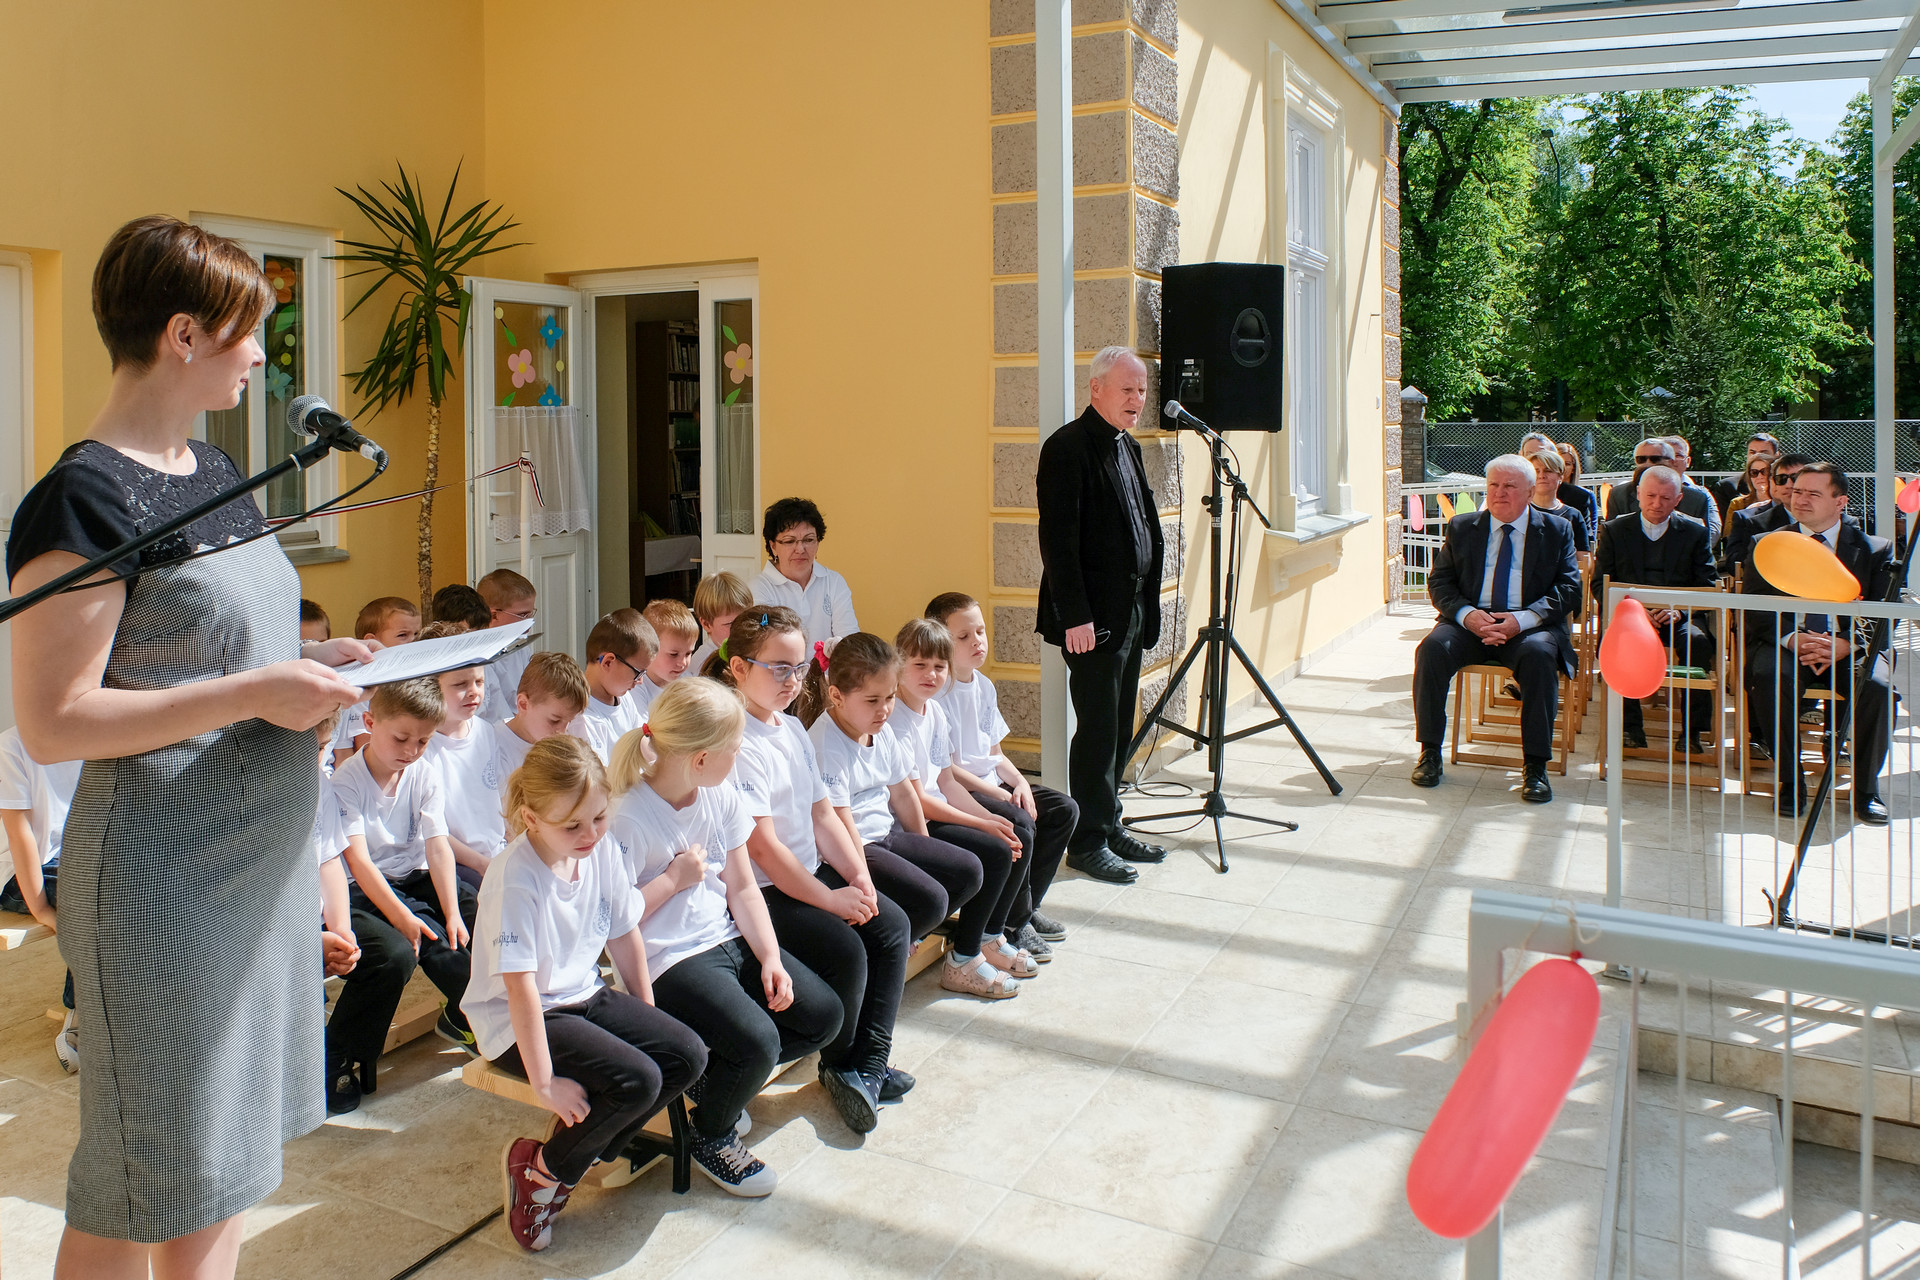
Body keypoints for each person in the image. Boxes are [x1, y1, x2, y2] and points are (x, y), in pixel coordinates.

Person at [8, 214, 366, 1276]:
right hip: (162, 882)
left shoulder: (212, 467)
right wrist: (260, 688)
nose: (258, 355)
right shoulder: (80, 501)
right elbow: (55, 719)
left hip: (257, 866)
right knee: (149, 1176)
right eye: (247, 331)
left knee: (226, 1162)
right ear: (183, 334)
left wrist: (316, 662)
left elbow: (211, 647)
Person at [464, 735, 706, 1251]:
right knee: (638, 1082)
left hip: (582, 994)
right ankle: (540, 1173)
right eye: (572, 826)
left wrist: (647, 1017)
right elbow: (520, 988)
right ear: (531, 819)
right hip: (519, 1018)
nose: (590, 834)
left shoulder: (599, 849)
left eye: (598, 817)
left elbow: (623, 932)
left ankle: (575, 1147)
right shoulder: (515, 878)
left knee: (687, 1054)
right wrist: (545, 1082)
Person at [607, 677, 843, 1196]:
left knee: (822, 1016)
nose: (740, 755)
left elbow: (742, 887)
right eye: (734, 748)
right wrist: (674, 880)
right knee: (759, 1043)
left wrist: (770, 957)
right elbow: (615, 920)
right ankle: (710, 1134)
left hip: (724, 936)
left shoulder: (720, 794)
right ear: (700, 758)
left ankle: (714, 1082)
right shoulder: (626, 817)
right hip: (670, 960)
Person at [709, 607, 910, 1135]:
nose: (792, 680)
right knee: (846, 948)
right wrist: (830, 900)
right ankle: (840, 1066)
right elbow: (764, 850)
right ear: (738, 669)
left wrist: (859, 876)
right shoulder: (738, 740)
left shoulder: (793, 727)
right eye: (778, 668)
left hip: (808, 872)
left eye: (798, 668)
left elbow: (823, 815)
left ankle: (870, 1061)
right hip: (768, 890)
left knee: (891, 926)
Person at [1034, 344, 1167, 880]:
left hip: (1129, 609)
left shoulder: (1127, 445)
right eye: (1127, 389)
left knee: (1117, 725)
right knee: (1096, 729)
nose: (1138, 399)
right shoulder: (1066, 448)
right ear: (1096, 388)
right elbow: (1058, 543)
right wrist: (1076, 617)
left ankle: (1109, 825)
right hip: (1091, 620)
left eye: (1142, 390)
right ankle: (1086, 842)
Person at [802, 632, 989, 962]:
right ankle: (885, 945)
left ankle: (901, 938)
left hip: (886, 835)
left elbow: (903, 794)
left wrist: (926, 849)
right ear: (837, 696)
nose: (885, 710)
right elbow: (841, 822)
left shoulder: (880, 729)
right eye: (872, 701)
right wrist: (860, 877)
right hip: (857, 848)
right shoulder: (826, 745)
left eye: (889, 697)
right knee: (932, 900)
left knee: (969, 871)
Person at [1410, 454, 1581, 802]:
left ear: (1530, 492)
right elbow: (1440, 583)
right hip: (1471, 623)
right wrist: (1467, 615)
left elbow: (1568, 588)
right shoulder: (1462, 527)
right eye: (1493, 485)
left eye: (1509, 486)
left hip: (1528, 625)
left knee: (1539, 658)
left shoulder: (1556, 530)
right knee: (1431, 650)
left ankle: (1535, 766)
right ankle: (1430, 753)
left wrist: (1522, 620)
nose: (1499, 493)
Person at [1740, 461, 1896, 824]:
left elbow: (1884, 613)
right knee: (1769, 678)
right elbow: (1755, 608)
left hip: (1848, 647)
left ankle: (1866, 788)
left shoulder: (1874, 549)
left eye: (1813, 493)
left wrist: (1847, 643)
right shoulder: (1767, 544)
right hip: (1788, 643)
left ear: (1840, 502)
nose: (1800, 500)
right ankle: (1790, 782)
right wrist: (1792, 638)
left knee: (1877, 687)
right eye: (1797, 492)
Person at [335, 677, 480, 1056]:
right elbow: (358, 861)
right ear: (370, 723)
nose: (412, 751)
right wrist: (402, 917)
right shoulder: (346, 781)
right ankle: (485, 1022)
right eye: (401, 739)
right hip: (367, 888)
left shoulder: (424, 773)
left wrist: (453, 912)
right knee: (439, 945)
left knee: (478, 915)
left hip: (417, 877)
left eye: (423, 741)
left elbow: (438, 846)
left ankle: (471, 1015)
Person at [892, 617, 1031, 995]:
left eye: (939, 666)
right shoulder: (895, 719)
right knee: (994, 852)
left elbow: (947, 782)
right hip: (911, 822)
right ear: (899, 664)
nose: (931, 674)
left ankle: (988, 936)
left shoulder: (933, 712)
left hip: (935, 809)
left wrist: (990, 819)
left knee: (1010, 834)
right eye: (920, 664)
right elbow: (918, 800)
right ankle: (963, 959)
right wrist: (984, 825)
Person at [929, 593, 1078, 933]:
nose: (977, 641)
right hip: (964, 791)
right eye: (963, 636)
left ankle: (1025, 909)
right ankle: (1013, 924)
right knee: (1020, 822)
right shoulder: (937, 694)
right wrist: (999, 795)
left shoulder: (984, 686)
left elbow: (995, 753)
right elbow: (948, 771)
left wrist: (1021, 783)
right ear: (941, 641)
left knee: (1063, 809)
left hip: (993, 784)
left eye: (980, 631)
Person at [1590, 466, 1719, 754]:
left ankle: (1692, 731)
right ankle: (1630, 728)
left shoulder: (1695, 532)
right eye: (1650, 496)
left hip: (1679, 615)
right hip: (1630, 616)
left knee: (1697, 642)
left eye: (1665, 498)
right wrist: (1633, 611)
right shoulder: (1614, 530)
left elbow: (1707, 584)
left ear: (1679, 499)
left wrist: (1679, 610)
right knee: (1620, 643)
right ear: (1638, 494)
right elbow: (1599, 583)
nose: (1657, 504)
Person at [0, 723, 83, 1072]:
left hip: (77, 858)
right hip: (19, 872)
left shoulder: (92, 735)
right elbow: (19, 835)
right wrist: (42, 909)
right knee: (93, 902)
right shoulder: (11, 747)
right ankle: (80, 1016)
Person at [420, 621, 510, 887]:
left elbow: (501, 800)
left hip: (498, 855)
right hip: (458, 864)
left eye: (479, 681)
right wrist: (482, 865)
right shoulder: (421, 747)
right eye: (460, 684)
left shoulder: (486, 732)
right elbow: (432, 830)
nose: (474, 692)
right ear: (430, 685)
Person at [752, 497, 859, 644]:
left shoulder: (834, 582)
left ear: (818, 542)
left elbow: (849, 641)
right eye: (790, 541)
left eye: (808, 540)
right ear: (773, 546)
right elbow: (767, 645)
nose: (800, 549)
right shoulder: (759, 588)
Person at [331, 596, 421, 767]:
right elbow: (362, 747)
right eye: (403, 635)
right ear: (372, 641)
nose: (413, 643)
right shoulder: (363, 689)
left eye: (416, 634)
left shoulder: (417, 680)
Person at [570, 608, 657, 763]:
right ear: (608, 662)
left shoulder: (625, 699)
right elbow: (599, 774)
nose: (640, 681)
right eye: (638, 673)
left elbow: (642, 745)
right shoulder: (581, 717)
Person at [1604, 437, 1721, 548]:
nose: (1647, 464)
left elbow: (1706, 539)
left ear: (1671, 462)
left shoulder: (1696, 499)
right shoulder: (1619, 494)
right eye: (1641, 459)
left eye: (1655, 459)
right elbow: (1611, 538)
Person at [501, 651, 590, 778]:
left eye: (569, 722)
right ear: (523, 704)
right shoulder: (493, 746)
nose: (562, 732)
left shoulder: (561, 750)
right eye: (554, 720)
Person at [1722, 453, 1812, 576]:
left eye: (1795, 478)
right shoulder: (1753, 523)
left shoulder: (1832, 520)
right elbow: (1735, 565)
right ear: (1773, 483)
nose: (1788, 485)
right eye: (1781, 479)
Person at [478, 568, 539, 722]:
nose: (529, 622)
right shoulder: (480, 657)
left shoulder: (521, 646)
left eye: (531, 614)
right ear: (493, 615)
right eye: (522, 615)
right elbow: (496, 713)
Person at [636, 598, 701, 717]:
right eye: (673, 654)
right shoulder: (636, 688)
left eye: (688, 654)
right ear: (647, 647)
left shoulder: (688, 683)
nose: (682, 663)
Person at [1529, 449, 1590, 562]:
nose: (1541, 475)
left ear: (1560, 477)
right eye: (1536, 471)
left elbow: (1584, 558)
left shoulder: (1574, 515)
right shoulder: (1521, 511)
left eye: (1548, 471)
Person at [691, 570, 752, 675]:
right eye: (730, 624)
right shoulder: (703, 663)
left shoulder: (748, 648)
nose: (740, 628)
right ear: (706, 624)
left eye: (745, 620)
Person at [1552, 442, 1601, 546]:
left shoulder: (1585, 495)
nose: (1563, 467)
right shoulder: (1544, 494)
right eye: (1559, 462)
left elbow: (1591, 533)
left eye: (1567, 464)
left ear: (1574, 467)